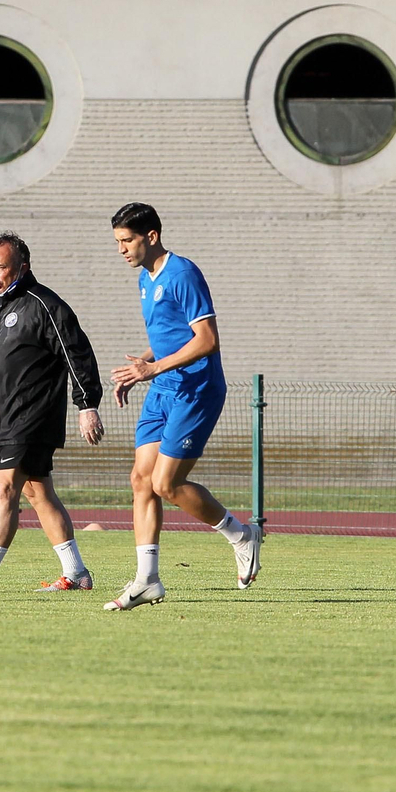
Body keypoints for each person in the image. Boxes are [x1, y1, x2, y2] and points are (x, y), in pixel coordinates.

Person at [102, 203, 263, 612]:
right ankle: (147, 580)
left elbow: (207, 339)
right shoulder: (144, 278)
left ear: (151, 236)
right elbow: (169, 337)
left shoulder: (182, 273)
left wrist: (151, 368)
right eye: (118, 241)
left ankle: (240, 534)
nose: (121, 249)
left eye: (127, 240)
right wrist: (138, 369)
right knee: (140, 479)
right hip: (162, 387)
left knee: (165, 484)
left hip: (197, 389)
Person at [0, 232, 105, 593]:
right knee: (37, 492)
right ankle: (76, 574)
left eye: (1, 267)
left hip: (32, 415)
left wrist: (86, 405)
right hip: (1, 418)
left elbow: (78, 355)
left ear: (22, 267)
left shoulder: (45, 305)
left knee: (4, 485)